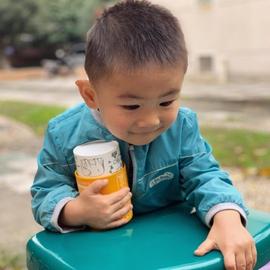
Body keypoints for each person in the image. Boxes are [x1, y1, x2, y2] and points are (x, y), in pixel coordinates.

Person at [31, 1, 256, 269]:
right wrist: (77, 211)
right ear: (91, 95)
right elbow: (46, 191)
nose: (150, 120)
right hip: (100, 253)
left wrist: (228, 216)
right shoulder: (63, 134)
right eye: (131, 106)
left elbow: (205, 175)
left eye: (166, 101)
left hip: (170, 244)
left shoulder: (182, 126)